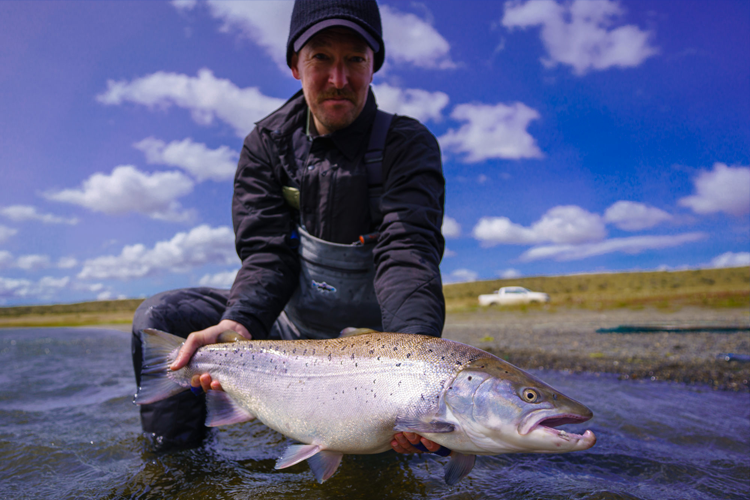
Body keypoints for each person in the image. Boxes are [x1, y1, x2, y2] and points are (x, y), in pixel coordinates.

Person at [132, 0, 446, 457]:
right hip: (286, 326)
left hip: (379, 348)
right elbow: (266, 254)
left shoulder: (408, 144)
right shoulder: (267, 145)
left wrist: (412, 367)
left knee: (385, 457)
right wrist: (239, 324)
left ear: (373, 65)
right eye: (321, 58)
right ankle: (179, 472)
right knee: (161, 318)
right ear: (295, 65)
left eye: (355, 59)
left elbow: (408, 251)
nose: (339, 78)